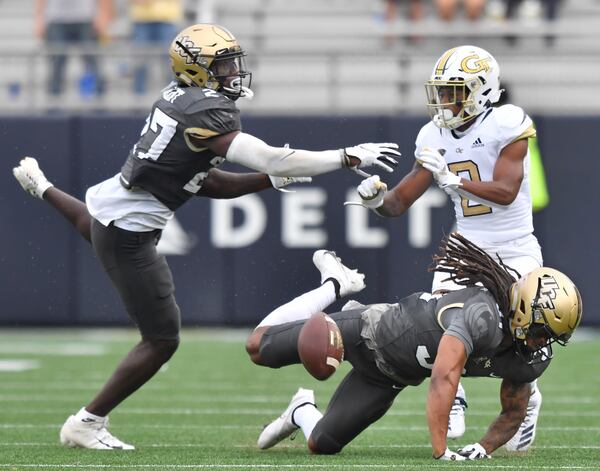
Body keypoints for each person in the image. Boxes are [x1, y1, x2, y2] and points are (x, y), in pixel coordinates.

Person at [12, 23, 399, 450]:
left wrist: (271, 181)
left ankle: (43, 188)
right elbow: (271, 156)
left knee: (99, 233)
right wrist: (343, 157)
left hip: (116, 212)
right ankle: (86, 422)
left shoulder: (179, 98)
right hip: (129, 231)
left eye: (234, 62)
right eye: (224, 65)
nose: (234, 72)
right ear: (196, 69)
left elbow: (209, 183)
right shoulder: (208, 112)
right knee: (162, 339)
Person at [354, 45, 543, 451]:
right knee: (444, 321)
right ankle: (455, 395)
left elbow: (507, 191)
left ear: (482, 90)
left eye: (453, 91)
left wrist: (456, 182)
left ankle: (527, 398)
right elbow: (399, 202)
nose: (444, 101)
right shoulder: (433, 134)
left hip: (513, 247)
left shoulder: (507, 122)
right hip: (466, 246)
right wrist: (375, 201)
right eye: (440, 91)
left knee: (522, 331)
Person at [245, 233, 582, 459]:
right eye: (542, 330)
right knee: (258, 347)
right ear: (523, 308)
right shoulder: (481, 315)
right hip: (367, 330)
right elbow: (443, 377)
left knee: (322, 444)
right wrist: (441, 450)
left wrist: (482, 447)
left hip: (389, 376)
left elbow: (513, 412)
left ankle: (300, 409)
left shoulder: (530, 357)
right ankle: (334, 284)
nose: (543, 341)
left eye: (552, 335)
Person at [35, 0, 113, 97]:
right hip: (56, 18)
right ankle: (53, 105)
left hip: (87, 17)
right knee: (56, 65)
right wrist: (39, 17)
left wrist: (104, 14)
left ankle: (100, 104)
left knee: (93, 63)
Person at [129, 0, 183, 95]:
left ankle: (173, 101)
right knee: (140, 63)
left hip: (167, 18)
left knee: (170, 64)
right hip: (141, 19)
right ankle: (138, 103)